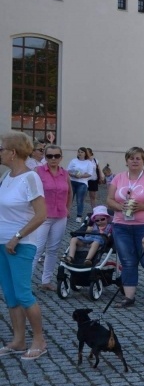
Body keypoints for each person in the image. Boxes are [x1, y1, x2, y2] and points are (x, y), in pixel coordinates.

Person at [0, 131, 48, 360]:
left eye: (1, 149)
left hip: (21, 244)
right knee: (10, 295)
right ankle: (18, 340)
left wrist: (17, 237)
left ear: (13, 152)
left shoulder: (30, 178)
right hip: (2, 243)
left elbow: (41, 215)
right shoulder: (6, 176)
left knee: (23, 294)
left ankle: (39, 340)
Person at [106, 147, 144, 308]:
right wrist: (120, 207)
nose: (134, 161)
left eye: (138, 158)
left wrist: (142, 206)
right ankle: (129, 297)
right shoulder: (118, 177)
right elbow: (109, 200)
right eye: (131, 158)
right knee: (127, 261)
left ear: (143, 161)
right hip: (121, 225)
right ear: (126, 161)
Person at [33, 144, 71, 291]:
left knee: (53, 249)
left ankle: (46, 281)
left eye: (56, 156)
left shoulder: (65, 173)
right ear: (45, 157)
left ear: (61, 157)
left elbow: (69, 192)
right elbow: (32, 193)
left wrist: (68, 208)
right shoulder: (38, 171)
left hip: (60, 216)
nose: (53, 159)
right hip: (43, 216)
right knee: (37, 249)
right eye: (49, 156)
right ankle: (25, 284)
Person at [67, 147, 95, 222]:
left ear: (85, 153)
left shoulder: (88, 162)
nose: (80, 153)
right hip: (72, 181)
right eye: (79, 152)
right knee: (69, 198)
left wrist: (81, 176)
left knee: (80, 200)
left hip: (82, 183)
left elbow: (89, 173)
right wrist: (73, 175)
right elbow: (68, 170)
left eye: (82, 152)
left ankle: (79, 216)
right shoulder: (73, 161)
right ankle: (66, 213)